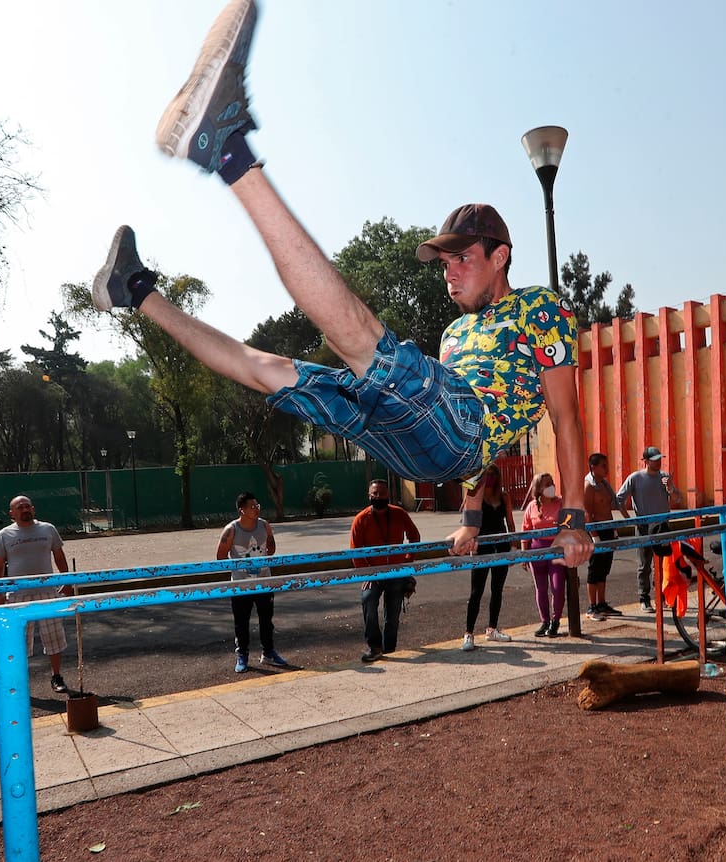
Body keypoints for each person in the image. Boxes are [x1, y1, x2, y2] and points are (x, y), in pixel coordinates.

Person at [89, 0, 592, 569]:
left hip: (458, 433)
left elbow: (564, 414)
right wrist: (470, 521)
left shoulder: (540, 309)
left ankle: (226, 146)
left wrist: (574, 516)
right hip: (419, 439)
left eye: (462, 259)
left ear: (501, 257)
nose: (449, 271)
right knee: (273, 371)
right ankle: (135, 291)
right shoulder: (455, 333)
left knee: (366, 341)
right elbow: (459, 424)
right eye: (444, 261)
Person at [0, 495, 72, 694]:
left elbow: (59, 556)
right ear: (12, 513)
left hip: (47, 593)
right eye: (20, 507)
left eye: (27, 506)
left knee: (53, 637)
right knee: (18, 641)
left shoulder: (48, 529)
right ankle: (18, 681)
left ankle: (56, 676)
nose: (25, 509)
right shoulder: (5, 535)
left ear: (33, 509)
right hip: (18, 595)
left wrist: (67, 582)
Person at [215, 491, 288, 673]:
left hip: (264, 582)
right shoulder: (231, 530)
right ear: (242, 510)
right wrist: (240, 567)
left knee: (266, 619)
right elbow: (220, 556)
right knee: (241, 622)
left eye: (258, 506)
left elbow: (271, 548)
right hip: (241, 585)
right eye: (252, 507)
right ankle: (242, 655)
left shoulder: (264, 525)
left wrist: (261, 558)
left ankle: (268, 652)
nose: (256, 509)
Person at [351, 479, 421, 663]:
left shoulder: (399, 514)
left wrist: (407, 561)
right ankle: (373, 647)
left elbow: (415, 536)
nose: (378, 497)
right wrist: (368, 574)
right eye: (375, 493)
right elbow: (355, 550)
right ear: (369, 495)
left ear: (388, 495)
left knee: (393, 615)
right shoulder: (361, 519)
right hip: (373, 574)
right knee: (368, 601)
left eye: (382, 493)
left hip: (395, 572)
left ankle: (389, 649)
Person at [616, 446, 683, 612]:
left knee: (663, 564)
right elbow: (619, 499)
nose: (659, 462)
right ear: (646, 461)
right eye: (655, 460)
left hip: (662, 525)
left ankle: (662, 596)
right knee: (644, 564)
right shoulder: (635, 478)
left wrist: (670, 488)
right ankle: (644, 598)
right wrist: (628, 519)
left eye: (660, 459)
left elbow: (677, 498)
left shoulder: (665, 477)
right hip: (644, 526)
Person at [461, 463, 517, 651]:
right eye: (488, 474)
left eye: (494, 474)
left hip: (501, 544)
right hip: (481, 546)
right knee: (476, 591)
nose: (490, 477)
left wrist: (513, 546)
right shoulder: (476, 496)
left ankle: (492, 629)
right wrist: (470, 544)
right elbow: (467, 523)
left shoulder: (504, 497)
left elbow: (510, 521)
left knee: (497, 590)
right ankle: (468, 633)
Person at [520, 473, 567, 638]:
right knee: (541, 589)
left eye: (552, 483)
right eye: (547, 484)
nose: (551, 486)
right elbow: (525, 530)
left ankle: (556, 621)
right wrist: (525, 554)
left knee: (557, 587)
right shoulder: (532, 507)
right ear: (539, 489)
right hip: (537, 551)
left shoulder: (561, 503)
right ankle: (545, 621)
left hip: (556, 550)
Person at [583, 453, 628, 620]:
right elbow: (587, 511)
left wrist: (618, 526)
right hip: (597, 531)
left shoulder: (604, 484)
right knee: (594, 568)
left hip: (608, 529)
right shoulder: (588, 486)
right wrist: (594, 535)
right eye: (603, 465)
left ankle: (602, 603)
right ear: (593, 467)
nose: (606, 468)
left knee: (605, 567)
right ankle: (591, 606)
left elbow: (612, 505)